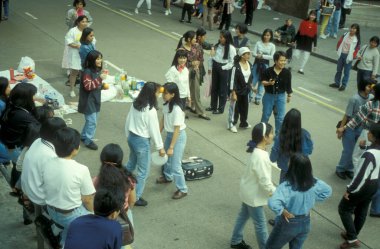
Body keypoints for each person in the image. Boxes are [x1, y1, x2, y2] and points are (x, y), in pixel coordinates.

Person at [266, 154, 332, 249]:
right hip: (305, 222)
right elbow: (328, 190)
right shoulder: (314, 183)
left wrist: (283, 211)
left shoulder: (287, 186)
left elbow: (272, 202)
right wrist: (313, 198)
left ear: (293, 167)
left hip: (289, 222)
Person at [43, 127, 95, 246]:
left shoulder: (47, 162)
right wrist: (92, 214)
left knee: (71, 224)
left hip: (51, 209)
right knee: (97, 221)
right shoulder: (81, 169)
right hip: (70, 216)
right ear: (74, 149)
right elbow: (87, 200)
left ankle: (60, 236)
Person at [230, 122, 276, 249]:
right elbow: (265, 181)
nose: (273, 135)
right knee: (260, 224)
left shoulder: (256, 150)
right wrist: (276, 193)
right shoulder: (261, 156)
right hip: (253, 196)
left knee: (243, 216)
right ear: (264, 137)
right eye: (271, 133)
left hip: (248, 191)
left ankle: (235, 241)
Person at [338, 122, 380, 249]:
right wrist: (364, 147)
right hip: (374, 184)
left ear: (374, 136)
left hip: (364, 185)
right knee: (361, 210)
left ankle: (352, 238)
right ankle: (352, 234)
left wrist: (349, 190)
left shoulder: (369, 155)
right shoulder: (374, 150)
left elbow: (361, 176)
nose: (367, 133)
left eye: (370, 132)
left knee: (344, 209)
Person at [125, 82, 166, 207]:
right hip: (142, 141)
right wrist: (160, 147)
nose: (159, 94)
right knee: (143, 172)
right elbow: (154, 130)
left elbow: (128, 120)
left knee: (131, 163)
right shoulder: (150, 110)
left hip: (132, 137)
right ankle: (136, 197)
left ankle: (119, 181)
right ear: (152, 94)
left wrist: (128, 136)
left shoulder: (136, 103)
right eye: (158, 92)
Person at [0, 83, 39, 197]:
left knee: (17, 166)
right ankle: (20, 191)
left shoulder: (12, 106)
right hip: (16, 148)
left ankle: (14, 185)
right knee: (24, 170)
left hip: (10, 144)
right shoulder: (22, 115)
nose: (34, 97)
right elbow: (38, 126)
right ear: (26, 98)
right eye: (33, 95)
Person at [21, 117, 67, 206]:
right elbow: (55, 183)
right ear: (58, 135)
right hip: (39, 197)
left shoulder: (38, 141)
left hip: (28, 189)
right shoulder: (50, 156)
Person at [335, 79, 373, 180]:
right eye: (368, 86)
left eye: (371, 87)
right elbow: (347, 115)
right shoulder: (354, 99)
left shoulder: (371, 98)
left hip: (362, 129)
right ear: (362, 86)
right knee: (348, 150)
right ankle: (340, 169)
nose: (370, 89)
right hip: (350, 128)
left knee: (356, 151)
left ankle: (350, 169)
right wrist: (341, 129)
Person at [156, 83, 189, 199]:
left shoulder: (177, 109)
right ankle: (168, 177)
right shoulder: (166, 104)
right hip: (170, 135)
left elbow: (177, 130)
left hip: (178, 137)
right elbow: (163, 120)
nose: (163, 95)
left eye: (166, 94)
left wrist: (171, 147)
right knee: (166, 158)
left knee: (175, 164)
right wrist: (157, 134)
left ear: (173, 94)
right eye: (163, 93)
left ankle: (183, 189)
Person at [337, 83, 380, 170]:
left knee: (358, 156)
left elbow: (357, 119)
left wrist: (343, 127)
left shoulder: (371, 104)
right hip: (378, 136)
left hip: (368, 133)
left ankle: (357, 175)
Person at [93, 143, 136, 224]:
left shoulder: (96, 180)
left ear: (102, 159)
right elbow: (132, 201)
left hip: (102, 216)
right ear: (120, 161)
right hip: (122, 213)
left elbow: (93, 198)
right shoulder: (128, 180)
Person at [270, 108, 313, 182]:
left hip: (285, 170)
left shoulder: (280, 137)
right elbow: (309, 151)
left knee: (284, 190)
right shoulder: (305, 134)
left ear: (285, 121)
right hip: (300, 169)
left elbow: (272, 158)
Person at [78, 50, 107, 150]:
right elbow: (88, 86)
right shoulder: (87, 72)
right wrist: (100, 79)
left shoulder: (96, 70)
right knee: (92, 122)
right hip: (88, 101)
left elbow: (95, 85)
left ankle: (83, 136)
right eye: (98, 59)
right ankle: (88, 140)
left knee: (90, 121)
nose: (100, 60)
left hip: (94, 100)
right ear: (92, 60)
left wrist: (102, 86)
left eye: (100, 58)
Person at [260, 51, 292, 136]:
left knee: (280, 117)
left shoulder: (287, 72)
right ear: (275, 61)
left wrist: (289, 94)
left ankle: (278, 135)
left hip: (281, 97)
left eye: (284, 60)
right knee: (266, 115)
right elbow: (263, 82)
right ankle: (262, 133)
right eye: (281, 60)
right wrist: (269, 83)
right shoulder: (268, 71)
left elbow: (289, 84)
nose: (283, 62)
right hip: (268, 96)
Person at [207, 30, 236, 114]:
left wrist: (223, 67)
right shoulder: (217, 46)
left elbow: (232, 62)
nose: (220, 39)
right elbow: (211, 56)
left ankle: (220, 108)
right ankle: (213, 106)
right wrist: (210, 67)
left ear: (227, 38)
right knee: (214, 88)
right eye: (220, 37)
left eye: (222, 37)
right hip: (215, 66)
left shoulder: (231, 48)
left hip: (224, 69)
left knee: (222, 89)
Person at [62, 15, 89, 98]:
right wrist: (79, 46)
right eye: (83, 21)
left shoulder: (87, 31)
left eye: (86, 22)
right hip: (75, 55)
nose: (85, 23)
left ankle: (84, 89)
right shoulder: (72, 31)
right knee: (74, 73)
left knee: (84, 73)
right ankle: (72, 90)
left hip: (85, 55)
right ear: (78, 22)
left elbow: (93, 40)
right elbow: (69, 42)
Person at [329, 23, 361, 91]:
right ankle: (337, 83)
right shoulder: (345, 34)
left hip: (349, 56)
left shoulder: (356, 39)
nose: (352, 29)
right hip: (342, 54)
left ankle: (344, 85)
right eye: (351, 28)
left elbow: (357, 48)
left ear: (357, 30)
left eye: (354, 28)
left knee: (346, 72)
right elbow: (340, 41)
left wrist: (354, 56)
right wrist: (337, 48)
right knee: (338, 70)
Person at [228, 47, 252, 133]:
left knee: (245, 107)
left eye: (249, 53)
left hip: (246, 91)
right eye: (247, 54)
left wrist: (252, 87)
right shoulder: (236, 67)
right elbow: (232, 80)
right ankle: (232, 124)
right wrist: (233, 93)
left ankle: (243, 123)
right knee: (235, 108)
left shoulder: (250, 64)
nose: (249, 55)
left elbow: (250, 77)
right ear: (242, 55)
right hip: (237, 91)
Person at [251, 29, 276, 105]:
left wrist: (262, 55)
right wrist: (258, 55)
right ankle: (249, 96)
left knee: (262, 82)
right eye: (265, 35)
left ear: (270, 36)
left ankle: (258, 98)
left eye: (268, 35)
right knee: (253, 80)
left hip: (265, 66)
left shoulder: (272, 46)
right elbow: (253, 53)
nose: (266, 37)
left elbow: (272, 57)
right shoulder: (258, 43)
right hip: (256, 64)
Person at [291, 10, 318, 75]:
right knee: (295, 55)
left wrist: (315, 45)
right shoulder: (303, 22)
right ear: (309, 15)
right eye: (311, 15)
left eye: (314, 15)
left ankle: (301, 68)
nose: (312, 16)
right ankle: (291, 66)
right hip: (301, 41)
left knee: (305, 57)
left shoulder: (315, 25)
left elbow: (315, 36)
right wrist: (294, 41)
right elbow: (298, 32)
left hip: (308, 43)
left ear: (315, 17)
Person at [0, 77, 11, 164]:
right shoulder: (1, 104)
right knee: (7, 158)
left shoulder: (4, 98)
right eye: (8, 87)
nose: (10, 89)